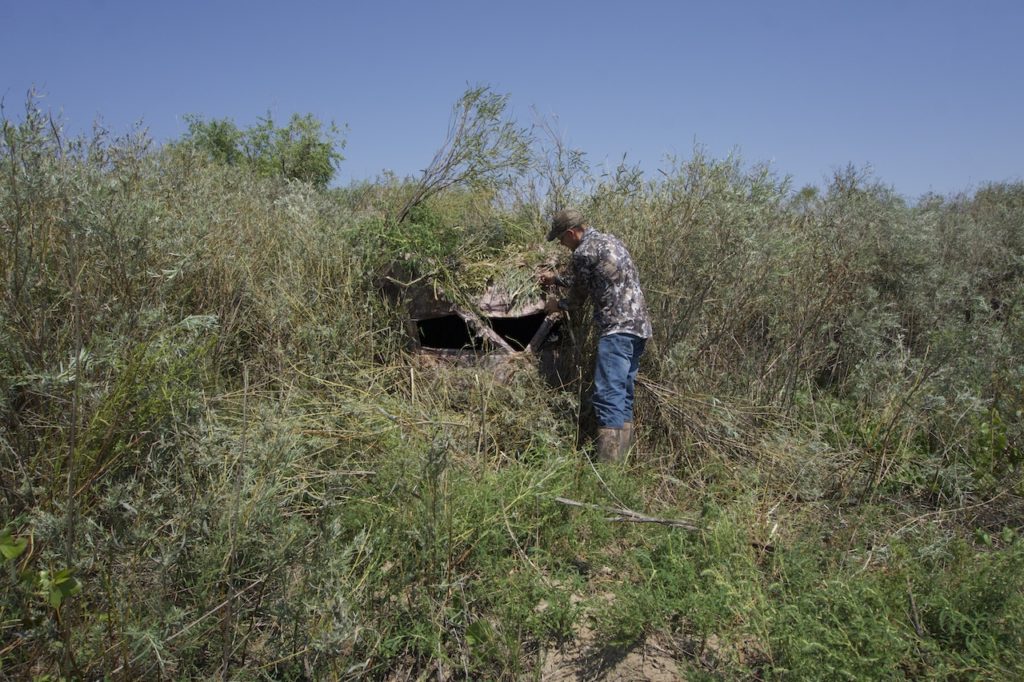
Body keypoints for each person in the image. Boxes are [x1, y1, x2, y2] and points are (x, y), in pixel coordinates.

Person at [541, 209, 653, 463]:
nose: (562, 244)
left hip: (616, 330)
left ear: (572, 233)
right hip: (639, 328)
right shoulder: (610, 241)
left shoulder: (583, 252)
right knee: (624, 396)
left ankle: (607, 471)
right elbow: (595, 277)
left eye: (561, 239)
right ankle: (621, 468)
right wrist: (556, 279)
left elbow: (577, 298)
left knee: (608, 397)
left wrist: (557, 305)